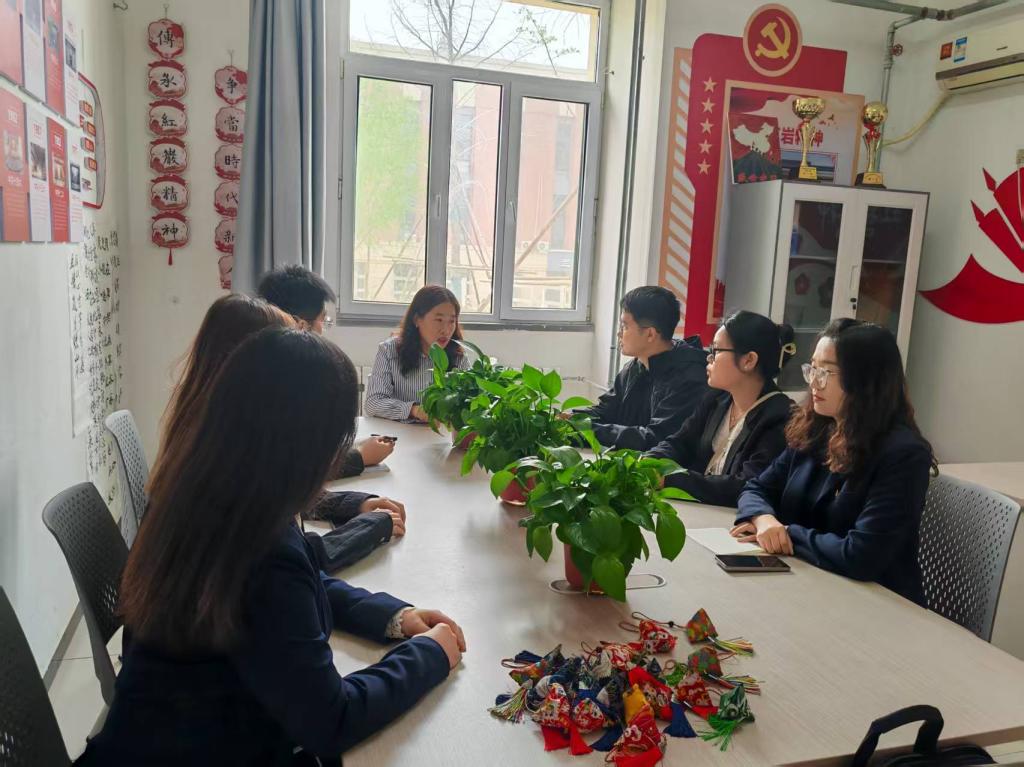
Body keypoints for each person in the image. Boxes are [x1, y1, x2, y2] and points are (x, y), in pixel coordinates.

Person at [77, 329, 466, 765]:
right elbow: (331, 720)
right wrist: (430, 655)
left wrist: (394, 618)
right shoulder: (261, 547)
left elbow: (305, 583)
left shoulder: (207, 489)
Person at [153, 293, 406, 571]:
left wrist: (354, 504)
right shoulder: (222, 451)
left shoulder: (207, 429)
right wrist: (367, 526)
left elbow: (276, 494)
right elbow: (293, 560)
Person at [731, 319, 935, 605]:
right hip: (811, 584)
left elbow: (861, 555)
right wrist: (763, 519)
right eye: (813, 369)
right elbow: (756, 488)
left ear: (866, 380)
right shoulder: (816, 428)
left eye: (827, 372)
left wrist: (787, 534)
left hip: (877, 604)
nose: (814, 382)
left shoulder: (903, 454)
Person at [646, 310, 796, 506]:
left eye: (716, 351)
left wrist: (670, 479)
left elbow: (745, 484)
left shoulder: (781, 416)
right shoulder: (716, 398)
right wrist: (649, 461)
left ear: (748, 360)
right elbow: (679, 443)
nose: (709, 358)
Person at [257, 264, 395, 475]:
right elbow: (291, 469)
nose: (323, 330)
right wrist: (359, 457)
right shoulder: (289, 381)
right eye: (323, 320)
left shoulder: (254, 362)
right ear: (300, 326)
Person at [578, 286, 709, 450]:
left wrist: (585, 429)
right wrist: (567, 421)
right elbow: (605, 412)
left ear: (650, 334)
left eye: (625, 327)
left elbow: (655, 439)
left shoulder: (690, 378)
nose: (619, 334)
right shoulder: (635, 365)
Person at [365, 285, 470, 422]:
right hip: (399, 432)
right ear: (417, 319)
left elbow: (469, 403)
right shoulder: (389, 351)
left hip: (441, 433)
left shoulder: (458, 356)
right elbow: (373, 403)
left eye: (452, 321)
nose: (446, 330)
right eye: (439, 320)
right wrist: (414, 410)